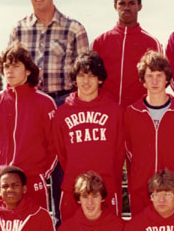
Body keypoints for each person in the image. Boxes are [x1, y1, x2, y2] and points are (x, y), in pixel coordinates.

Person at [9, 0, 89, 221]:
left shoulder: (74, 29)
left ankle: (64, 227)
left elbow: (85, 74)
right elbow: (11, 70)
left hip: (63, 102)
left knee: (64, 168)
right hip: (31, 105)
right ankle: (32, 227)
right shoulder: (19, 30)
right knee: (32, 166)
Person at [0, 42, 56, 210]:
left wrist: (41, 174)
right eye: (6, 66)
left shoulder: (45, 103)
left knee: (36, 230)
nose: (10, 70)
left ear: (28, 70)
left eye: (16, 66)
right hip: (0, 181)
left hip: (32, 179)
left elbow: (54, 144)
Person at [52, 51, 125, 221]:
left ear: (100, 79)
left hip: (107, 188)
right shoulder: (62, 113)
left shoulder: (115, 112)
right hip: (73, 189)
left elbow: (119, 152)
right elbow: (61, 153)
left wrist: (109, 180)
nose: (85, 81)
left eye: (91, 76)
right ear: (74, 79)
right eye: (81, 76)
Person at [123, 50, 174, 216]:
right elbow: (129, 151)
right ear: (143, 80)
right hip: (141, 188)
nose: (154, 81)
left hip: (172, 190)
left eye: (159, 75)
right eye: (149, 75)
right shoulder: (132, 112)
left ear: (167, 78)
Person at [92, 0, 163, 108]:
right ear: (115, 6)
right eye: (121, 3)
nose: (126, 7)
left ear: (139, 6)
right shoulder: (100, 42)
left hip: (139, 112)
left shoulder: (152, 43)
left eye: (131, 3)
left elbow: (160, 80)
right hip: (106, 111)